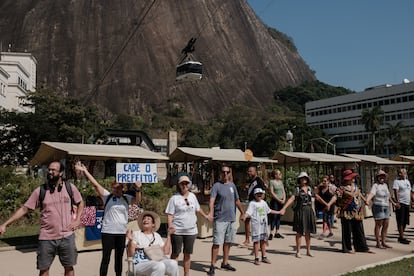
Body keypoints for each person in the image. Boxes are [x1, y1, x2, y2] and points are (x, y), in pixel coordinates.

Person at [0, 161, 84, 276]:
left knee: (69, 267)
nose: (50, 172)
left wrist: (78, 220)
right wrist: (5, 224)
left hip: (67, 237)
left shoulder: (70, 187)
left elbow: (80, 203)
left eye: (53, 170)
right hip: (46, 238)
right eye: (49, 169)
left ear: (61, 173)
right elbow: (24, 209)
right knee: (44, 269)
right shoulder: (40, 191)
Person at [75, 163, 141, 276]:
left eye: (118, 187)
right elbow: (95, 184)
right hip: (108, 232)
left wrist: (138, 188)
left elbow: (138, 200)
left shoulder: (127, 198)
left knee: (119, 258)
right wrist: (85, 171)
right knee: (106, 257)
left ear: (123, 188)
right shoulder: (108, 196)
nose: (115, 189)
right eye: (114, 187)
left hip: (120, 232)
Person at [165, 175, 209, 276]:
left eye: (186, 183)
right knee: (175, 253)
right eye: (182, 183)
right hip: (178, 230)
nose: (184, 185)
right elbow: (170, 214)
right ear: (179, 185)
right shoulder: (174, 198)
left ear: (189, 184)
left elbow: (198, 209)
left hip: (191, 231)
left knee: (187, 254)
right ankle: (173, 273)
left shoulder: (192, 196)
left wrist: (206, 216)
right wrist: (170, 226)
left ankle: (186, 273)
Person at [207, 165, 245, 276]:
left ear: (230, 173)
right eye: (223, 172)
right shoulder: (216, 186)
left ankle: (225, 262)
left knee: (228, 242)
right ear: (220, 173)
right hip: (220, 219)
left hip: (231, 219)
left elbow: (237, 201)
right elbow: (212, 201)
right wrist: (211, 213)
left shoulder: (232, 186)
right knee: (217, 243)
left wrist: (243, 213)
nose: (225, 174)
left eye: (227, 172)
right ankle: (212, 265)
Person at [126, 211, 179, 276]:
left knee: (173, 263)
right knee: (159, 266)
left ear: (153, 224)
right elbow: (130, 254)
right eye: (144, 219)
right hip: (141, 263)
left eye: (148, 219)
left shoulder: (157, 236)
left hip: (157, 260)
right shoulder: (136, 234)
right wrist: (130, 241)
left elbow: (166, 252)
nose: (145, 220)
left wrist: (168, 235)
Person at [336, 169, 373, 254]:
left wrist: (365, 200)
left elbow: (359, 194)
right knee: (347, 230)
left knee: (359, 229)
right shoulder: (341, 189)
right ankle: (347, 248)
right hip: (346, 212)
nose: (353, 179)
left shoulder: (355, 186)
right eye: (351, 177)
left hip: (357, 211)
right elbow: (338, 200)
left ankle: (362, 247)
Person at [280, 172, 316, 258]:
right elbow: (292, 199)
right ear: (299, 179)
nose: (303, 179)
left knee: (308, 232)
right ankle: (298, 251)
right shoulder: (297, 189)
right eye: (302, 178)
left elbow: (313, 201)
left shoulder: (310, 189)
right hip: (300, 211)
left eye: (305, 178)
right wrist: (284, 208)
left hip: (308, 211)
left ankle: (308, 250)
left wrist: (313, 212)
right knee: (299, 232)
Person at [241, 188, 281, 265]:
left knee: (263, 242)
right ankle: (256, 258)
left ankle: (264, 257)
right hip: (256, 227)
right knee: (256, 242)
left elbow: (269, 210)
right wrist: (244, 216)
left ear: (263, 195)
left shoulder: (264, 203)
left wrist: (278, 212)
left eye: (260, 193)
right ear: (254, 195)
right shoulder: (252, 203)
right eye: (257, 194)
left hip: (263, 226)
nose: (259, 195)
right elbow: (248, 212)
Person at [366, 170, 397, 249]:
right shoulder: (375, 186)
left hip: (386, 206)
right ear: (377, 177)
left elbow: (388, 196)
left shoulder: (385, 185)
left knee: (386, 224)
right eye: (380, 176)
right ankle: (378, 243)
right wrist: (368, 200)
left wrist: (393, 203)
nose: (382, 177)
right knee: (378, 224)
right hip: (378, 206)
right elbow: (372, 194)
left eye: (383, 176)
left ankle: (383, 241)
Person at [244, 165, 265, 246]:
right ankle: (247, 239)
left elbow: (263, 192)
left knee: (259, 222)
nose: (249, 173)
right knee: (247, 220)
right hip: (251, 203)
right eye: (248, 171)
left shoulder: (259, 180)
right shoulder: (251, 181)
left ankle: (260, 241)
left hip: (258, 204)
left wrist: (260, 203)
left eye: (251, 171)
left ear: (255, 172)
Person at [392, 168, 414, 244]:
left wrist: (412, 201)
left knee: (405, 220)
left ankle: (401, 235)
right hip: (401, 203)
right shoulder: (396, 181)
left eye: (405, 172)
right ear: (399, 174)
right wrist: (397, 202)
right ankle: (401, 237)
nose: (404, 173)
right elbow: (396, 191)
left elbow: (410, 192)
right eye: (402, 172)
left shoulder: (407, 181)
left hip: (407, 203)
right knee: (400, 221)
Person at [268, 169, 286, 240]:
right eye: (279, 174)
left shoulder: (281, 182)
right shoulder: (271, 182)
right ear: (275, 175)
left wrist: (284, 199)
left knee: (279, 216)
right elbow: (272, 192)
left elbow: (283, 191)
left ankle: (277, 232)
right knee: (274, 216)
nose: (280, 175)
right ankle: (271, 232)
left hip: (281, 200)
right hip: (275, 201)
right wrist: (278, 199)